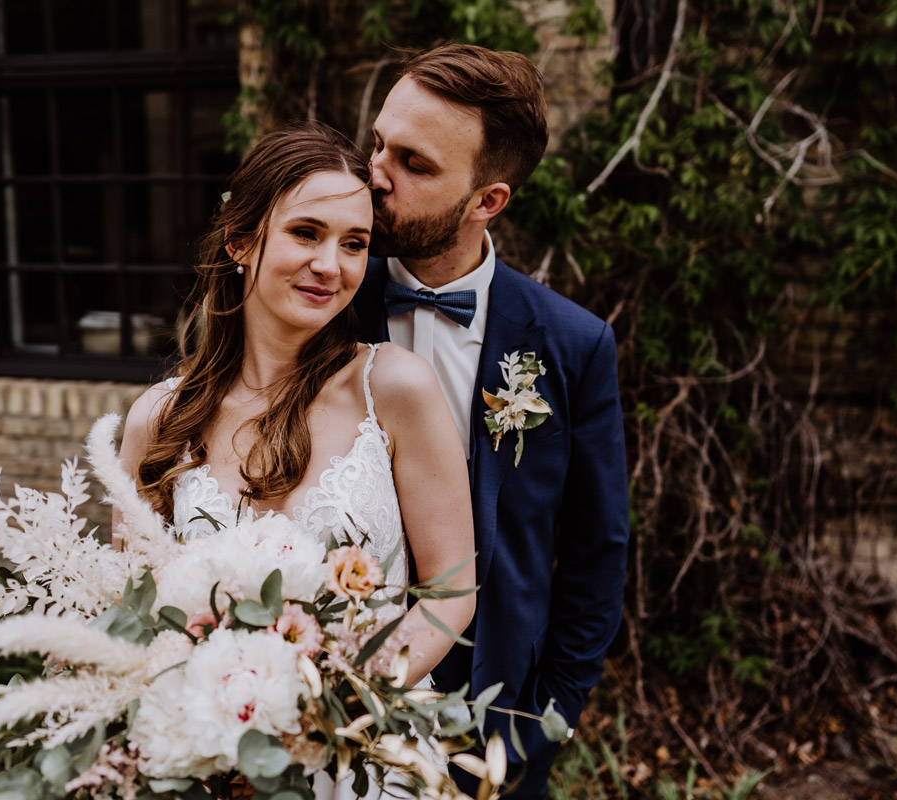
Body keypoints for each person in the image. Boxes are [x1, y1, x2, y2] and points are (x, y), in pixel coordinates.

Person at [116, 120, 476, 798]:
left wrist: (333, 710)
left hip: (368, 757)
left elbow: (452, 590)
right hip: (211, 767)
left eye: (355, 244)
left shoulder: (395, 388)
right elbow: (134, 620)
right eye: (306, 233)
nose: (331, 266)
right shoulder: (157, 421)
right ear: (240, 240)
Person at [352, 44, 630, 799]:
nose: (376, 173)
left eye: (414, 163)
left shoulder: (574, 345)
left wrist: (553, 714)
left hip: (495, 732)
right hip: (334, 714)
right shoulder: (323, 308)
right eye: (378, 144)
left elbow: (597, 549)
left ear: (487, 201)